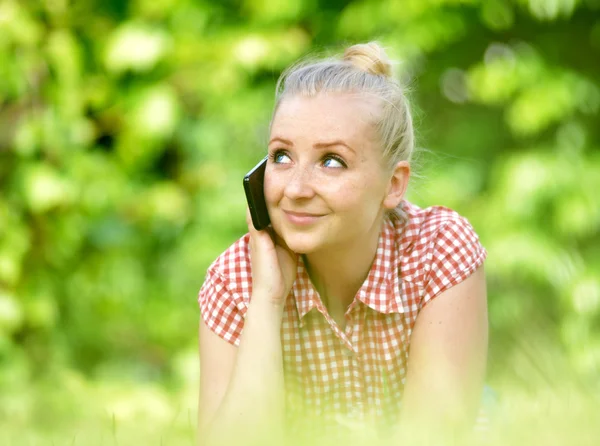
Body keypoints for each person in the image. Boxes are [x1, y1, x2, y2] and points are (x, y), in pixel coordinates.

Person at [198, 42, 488, 446]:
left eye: (332, 161)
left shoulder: (439, 249)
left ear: (393, 185)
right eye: (281, 156)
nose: (296, 189)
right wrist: (267, 298)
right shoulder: (235, 281)